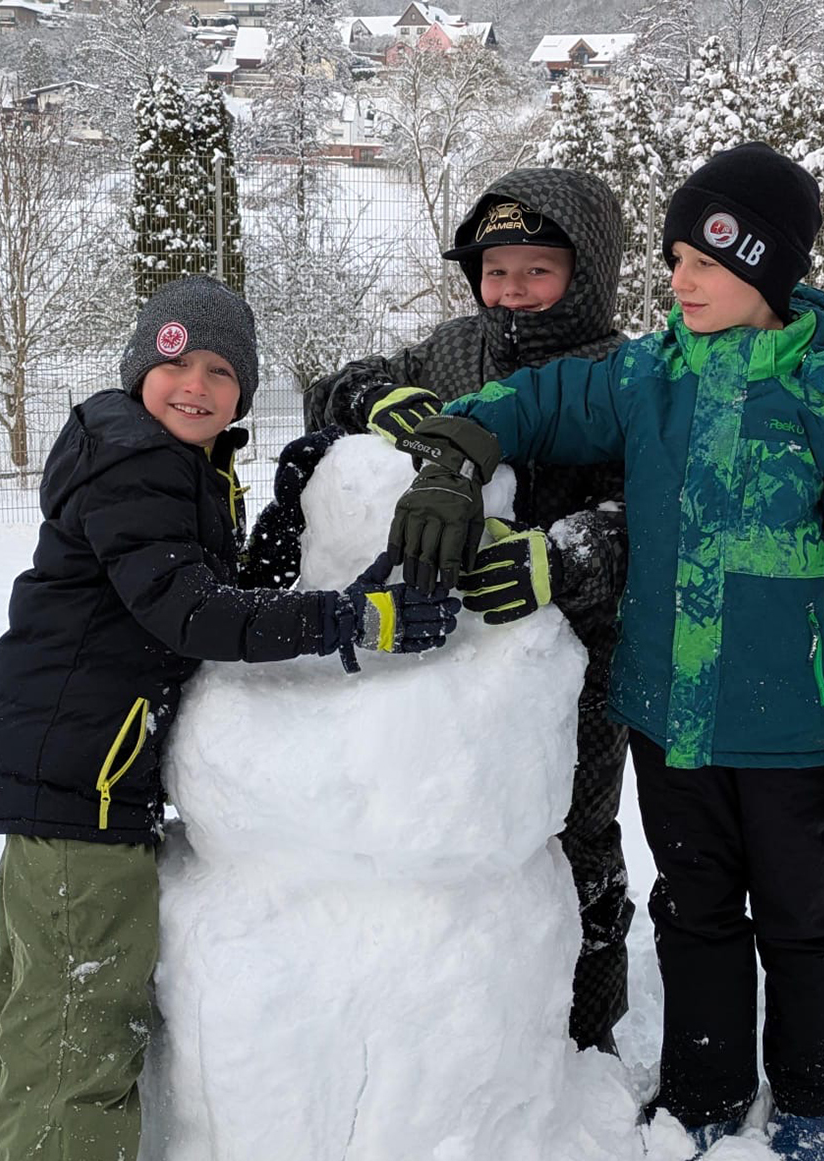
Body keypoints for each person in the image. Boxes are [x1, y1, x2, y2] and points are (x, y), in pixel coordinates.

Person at [386, 143, 824, 1161]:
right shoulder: (647, 377)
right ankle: (705, 1088)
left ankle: (813, 1091)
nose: (677, 279)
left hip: (790, 726)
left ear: (764, 270)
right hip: (666, 716)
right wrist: (462, 452)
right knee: (693, 911)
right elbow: (537, 401)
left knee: (802, 915)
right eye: (674, 256)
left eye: (703, 261)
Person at [0, 275, 460, 1161]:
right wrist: (355, 619)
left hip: (62, 763)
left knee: (35, 980)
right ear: (141, 371)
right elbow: (189, 610)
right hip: (85, 775)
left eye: (220, 370)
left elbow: (208, 579)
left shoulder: (166, 468)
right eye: (175, 363)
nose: (195, 383)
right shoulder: (137, 462)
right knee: (84, 1011)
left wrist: (283, 510)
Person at [271, 168, 634, 1056]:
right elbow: (335, 386)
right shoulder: (451, 351)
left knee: (577, 831)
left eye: (535, 270)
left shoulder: (627, 374)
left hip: (581, 656)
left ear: (584, 275)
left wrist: (566, 559)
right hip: (454, 658)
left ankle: (587, 1026)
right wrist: (376, 398)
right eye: (494, 270)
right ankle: (466, 1012)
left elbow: (651, 515)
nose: (510, 290)